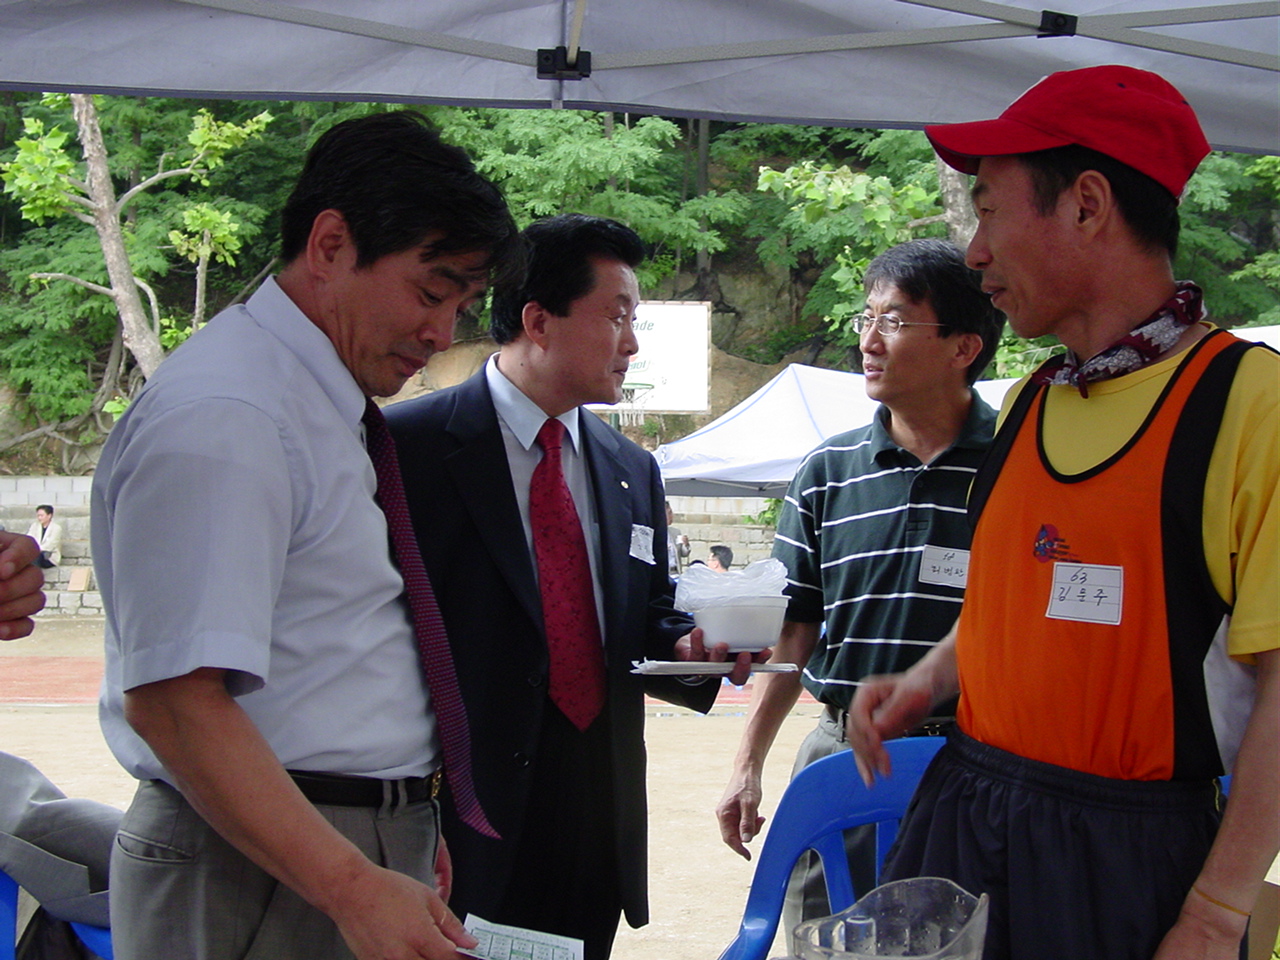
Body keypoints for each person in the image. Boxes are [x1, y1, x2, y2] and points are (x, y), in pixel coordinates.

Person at [847, 65, 1279, 960]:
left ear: (1087, 205)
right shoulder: (1030, 401)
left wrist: (1216, 912)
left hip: (1129, 860)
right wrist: (928, 680)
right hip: (968, 816)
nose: (974, 253)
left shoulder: (1248, 403)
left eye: (989, 212)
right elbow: (1020, 603)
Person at [92, 111, 522, 960]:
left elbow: (332, 640)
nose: (442, 334)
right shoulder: (230, 414)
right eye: (430, 292)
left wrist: (398, 811)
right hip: (254, 866)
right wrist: (352, 878)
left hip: (322, 840)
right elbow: (175, 702)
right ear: (329, 245)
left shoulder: (312, 399)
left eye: (462, 306)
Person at [386, 213, 760, 960]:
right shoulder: (408, 449)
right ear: (538, 322)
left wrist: (693, 649)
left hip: (594, 822)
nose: (633, 343)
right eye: (618, 317)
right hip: (457, 823)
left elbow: (643, 616)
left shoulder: (631, 468)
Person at [717, 239, 1002, 932]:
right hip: (842, 757)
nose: (869, 342)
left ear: (964, 347)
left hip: (976, 769)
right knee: (825, 939)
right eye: (866, 318)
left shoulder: (1017, 462)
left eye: (895, 322)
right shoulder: (828, 470)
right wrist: (747, 762)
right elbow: (796, 630)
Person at [26, 505, 62, 569]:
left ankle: (35, 574)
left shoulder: (56, 528)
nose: (39, 518)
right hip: (35, 553)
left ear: (49, 516)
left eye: (41, 515)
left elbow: (50, 545)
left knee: (36, 556)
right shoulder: (34, 526)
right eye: (38, 516)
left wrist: (35, 549)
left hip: (49, 557)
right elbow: (29, 539)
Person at [666, 500, 691, 576]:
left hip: (676, 572)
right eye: (669, 513)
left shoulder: (675, 532)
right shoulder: (654, 533)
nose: (672, 516)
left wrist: (685, 544)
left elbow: (684, 553)